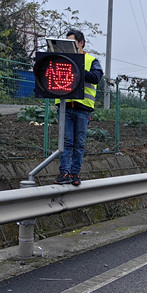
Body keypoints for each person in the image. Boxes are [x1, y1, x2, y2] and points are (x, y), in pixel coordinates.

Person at [53, 29, 103, 187]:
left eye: (72, 43)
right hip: (65, 106)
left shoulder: (91, 60)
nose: (69, 46)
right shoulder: (62, 60)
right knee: (66, 141)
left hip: (83, 108)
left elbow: (96, 77)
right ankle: (65, 172)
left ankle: (75, 173)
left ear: (81, 43)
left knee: (79, 143)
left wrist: (79, 67)